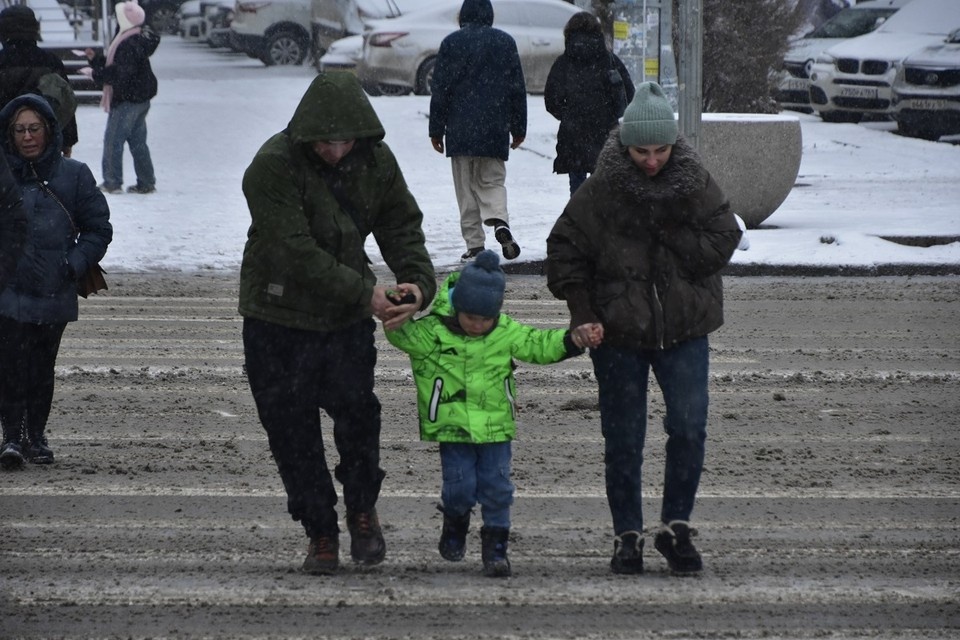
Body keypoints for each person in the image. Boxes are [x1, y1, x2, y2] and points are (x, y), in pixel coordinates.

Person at [239, 72, 437, 575]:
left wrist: (416, 283)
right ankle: (320, 531)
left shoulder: (376, 161)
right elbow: (293, 250)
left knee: (358, 418)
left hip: (343, 324)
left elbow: (400, 224)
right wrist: (364, 291)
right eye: (325, 141)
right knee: (292, 432)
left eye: (344, 140)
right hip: (276, 319)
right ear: (307, 134)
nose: (334, 150)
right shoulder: (270, 167)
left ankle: (361, 509)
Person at [545, 82, 742, 575]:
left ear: (674, 145)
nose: (651, 161)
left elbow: (724, 237)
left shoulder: (693, 182)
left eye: (660, 150)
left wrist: (672, 232)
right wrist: (583, 312)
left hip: (684, 329)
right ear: (625, 146)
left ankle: (676, 527)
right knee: (624, 439)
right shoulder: (601, 188)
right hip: (618, 335)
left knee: (690, 428)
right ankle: (626, 535)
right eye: (641, 151)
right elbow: (563, 253)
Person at [384, 250, 588, 577]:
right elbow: (401, 333)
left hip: (496, 427)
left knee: (497, 487)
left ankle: (496, 547)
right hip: (453, 427)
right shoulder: (434, 332)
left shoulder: (504, 331)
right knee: (459, 486)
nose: (478, 326)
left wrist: (572, 341)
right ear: (459, 307)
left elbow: (539, 344)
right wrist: (396, 308)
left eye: (485, 319)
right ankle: (455, 521)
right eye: (471, 318)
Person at [0, 94, 112, 470]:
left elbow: (99, 229)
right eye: (19, 130)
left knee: (41, 366)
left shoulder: (74, 174)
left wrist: (73, 264)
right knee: (11, 364)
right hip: (8, 289)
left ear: (48, 130)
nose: (27, 137)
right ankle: (12, 437)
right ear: (9, 134)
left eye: (34, 128)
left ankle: (36, 435)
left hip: (53, 287)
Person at [428, 0, 526, 262]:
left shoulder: (451, 43)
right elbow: (517, 89)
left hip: (460, 129)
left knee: (465, 189)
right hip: (494, 128)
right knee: (492, 181)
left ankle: (475, 245)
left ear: (463, 16)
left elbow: (441, 91)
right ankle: (500, 222)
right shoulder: (506, 43)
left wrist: (436, 130)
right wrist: (519, 127)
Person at [544, 11, 634, 195]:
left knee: (576, 187)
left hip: (573, 135)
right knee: (603, 185)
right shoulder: (609, 60)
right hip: (605, 133)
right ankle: (600, 219)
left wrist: (568, 113)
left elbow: (551, 100)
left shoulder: (563, 63)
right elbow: (629, 94)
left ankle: (579, 219)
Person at [83, 0, 159, 194]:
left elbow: (120, 74)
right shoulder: (136, 38)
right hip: (141, 99)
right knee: (137, 141)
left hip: (128, 100)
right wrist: (96, 60)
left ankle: (112, 181)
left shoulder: (127, 43)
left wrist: (95, 74)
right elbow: (120, 67)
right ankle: (146, 181)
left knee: (113, 140)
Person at [0, 5, 80, 157]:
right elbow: (64, 101)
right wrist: (67, 140)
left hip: (4, 147)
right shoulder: (50, 61)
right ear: (34, 29)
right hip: (43, 143)